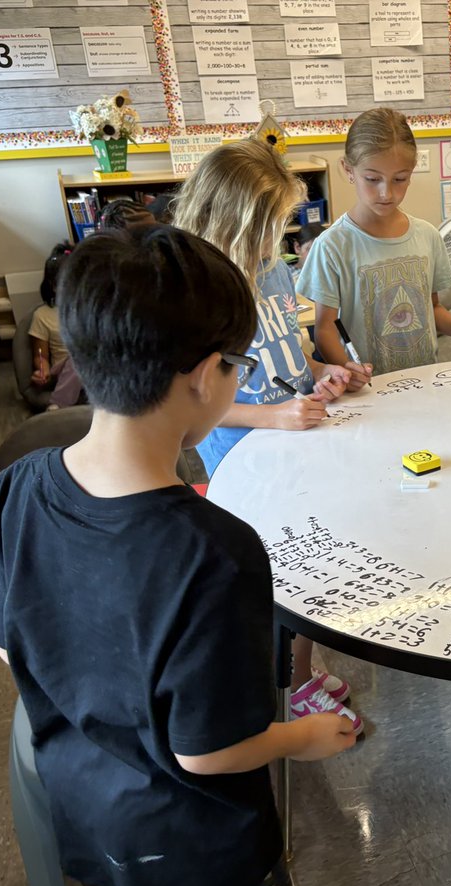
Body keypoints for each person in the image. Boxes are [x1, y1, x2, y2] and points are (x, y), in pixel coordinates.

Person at [0, 226, 356, 886]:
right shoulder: (216, 552)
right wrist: (301, 737)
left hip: (87, 808)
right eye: (237, 364)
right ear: (200, 376)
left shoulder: (20, 483)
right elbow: (208, 751)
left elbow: (12, 649)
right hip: (195, 846)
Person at [171, 138, 368, 734]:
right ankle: (291, 682)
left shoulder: (271, 267)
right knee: (279, 574)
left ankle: (300, 670)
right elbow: (189, 406)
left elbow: (294, 351)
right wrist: (274, 416)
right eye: (267, 228)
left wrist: (323, 373)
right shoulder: (196, 288)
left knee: (306, 562)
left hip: (294, 439)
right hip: (240, 454)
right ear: (229, 220)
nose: (274, 244)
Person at [298, 107, 451, 374]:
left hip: (424, 380)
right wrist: (346, 369)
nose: (387, 193)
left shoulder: (427, 236)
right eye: (372, 179)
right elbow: (325, 328)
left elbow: (431, 308)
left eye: (400, 179)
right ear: (348, 170)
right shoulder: (332, 246)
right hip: (369, 389)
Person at [28, 242, 73, 389]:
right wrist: (43, 370)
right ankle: (58, 404)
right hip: (64, 371)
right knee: (76, 363)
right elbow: (41, 355)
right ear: (53, 286)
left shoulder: (90, 309)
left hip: (93, 369)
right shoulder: (42, 316)